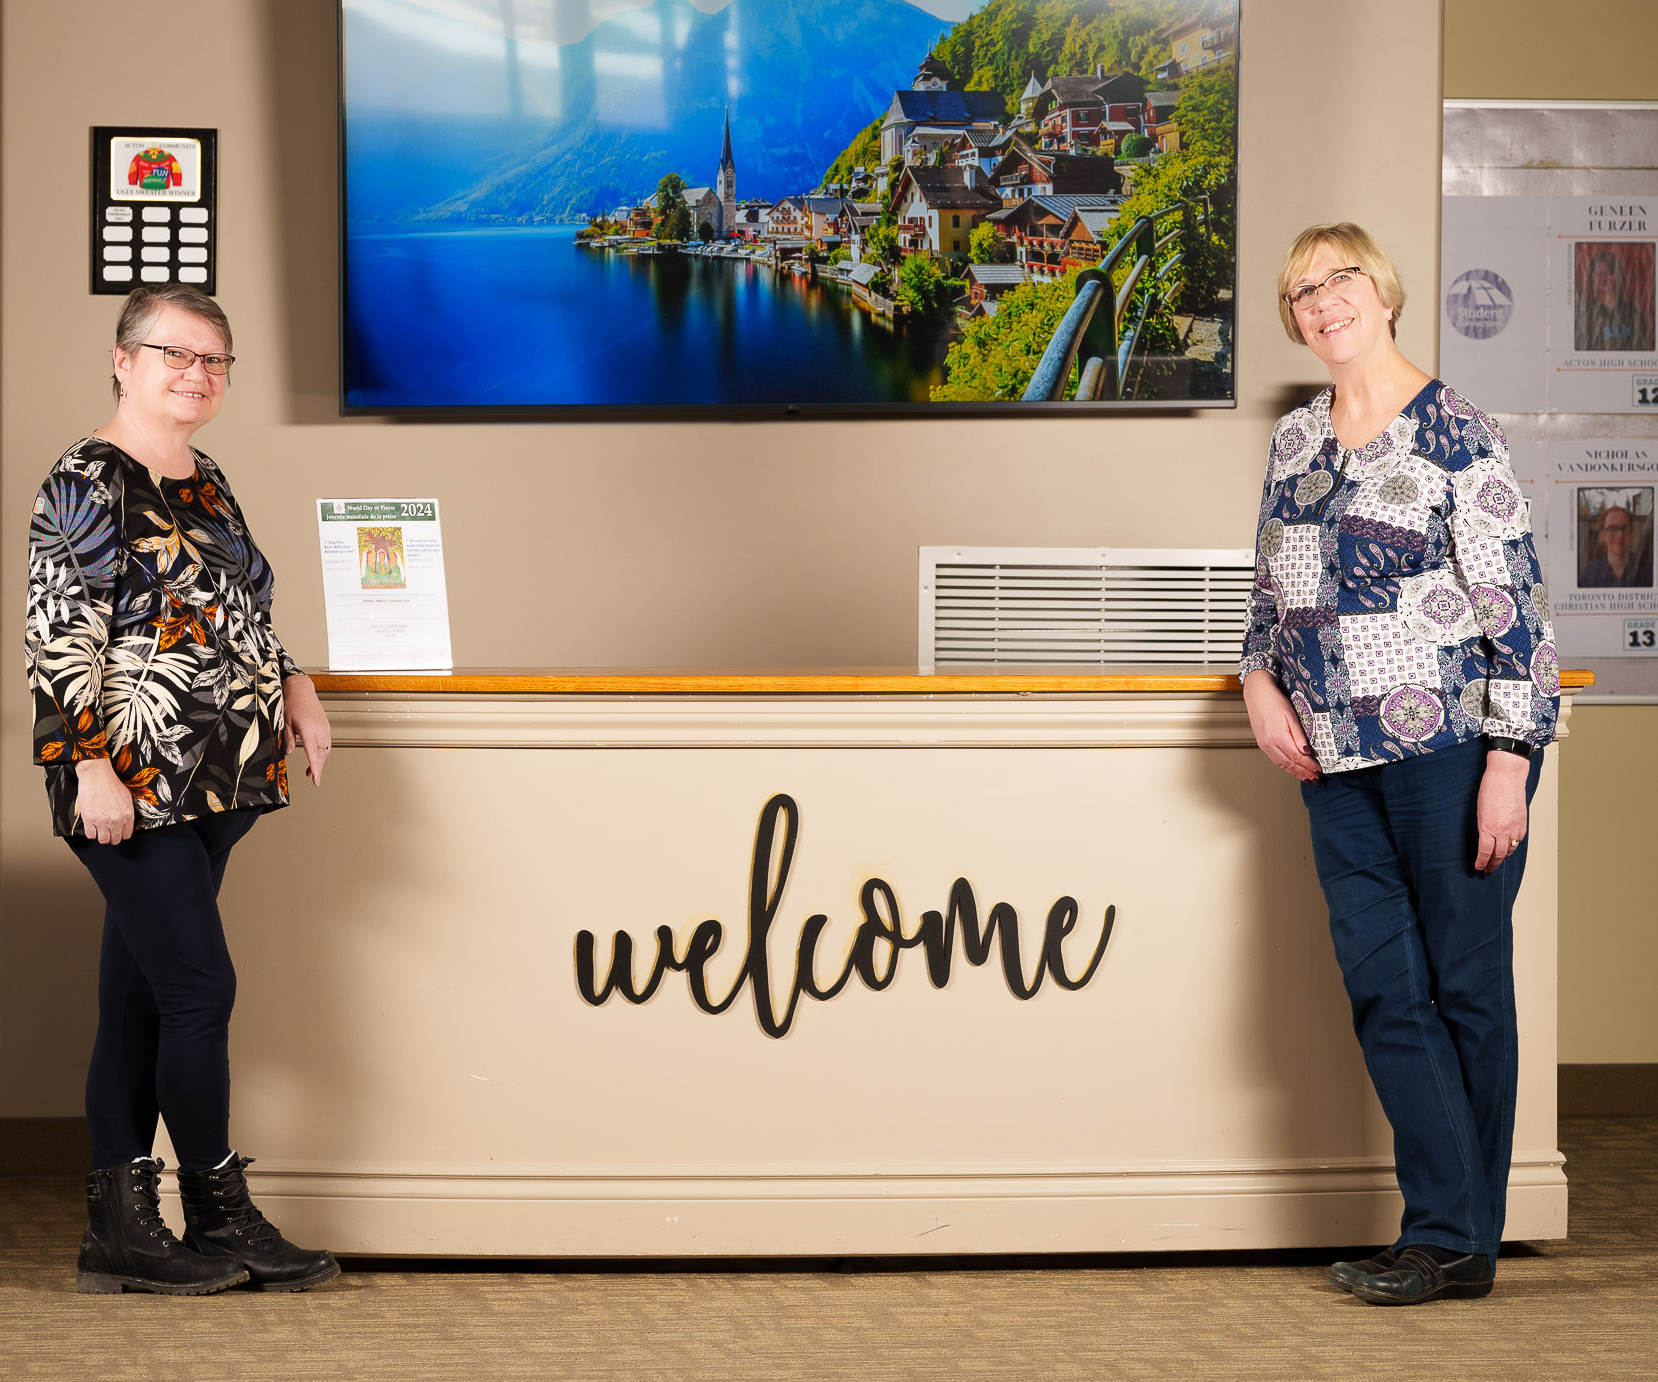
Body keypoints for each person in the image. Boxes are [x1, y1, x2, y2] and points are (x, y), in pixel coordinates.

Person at [1239, 224, 1559, 1306]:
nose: (1319, 301)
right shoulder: (1291, 442)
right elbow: (1267, 597)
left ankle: (1448, 1236)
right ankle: (1450, 1232)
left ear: (1381, 293)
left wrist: (1511, 761)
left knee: (1464, 987)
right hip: (1331, 755)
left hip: (1451, 747)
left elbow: (1513, 607)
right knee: (1385, 988)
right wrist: (1254, 683)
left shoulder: (1456, 428)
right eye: (1299, 292)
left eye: (1336, 280)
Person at [25, 284, 340, 1295]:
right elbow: (58, 632)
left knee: (140, 997)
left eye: (214, 359)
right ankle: (215, 1209)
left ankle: (117, 1225)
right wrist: (86, 764)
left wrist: (293, 684)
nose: (197, 374)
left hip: (222, 776)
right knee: (200, 989)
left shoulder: (205, 476)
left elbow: (243, 604)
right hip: (132, 777)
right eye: (176, 353)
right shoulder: (87, 476)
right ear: (123, 359)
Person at [1576, 249, 1654, 352]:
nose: (1603, 278)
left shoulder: (1633, 312)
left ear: (1617, 275)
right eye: (1598, 275)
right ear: (1592, 279)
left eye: (1608, 273)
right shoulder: (1585, 311)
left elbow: (1642, 348)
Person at [1579, 504, 1652, 587]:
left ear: (1631, 534)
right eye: (1612, 529)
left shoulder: (1648, 573)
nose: (1619, 535)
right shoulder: (1589, 573)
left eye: (1624, 528)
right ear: (1602, 535)